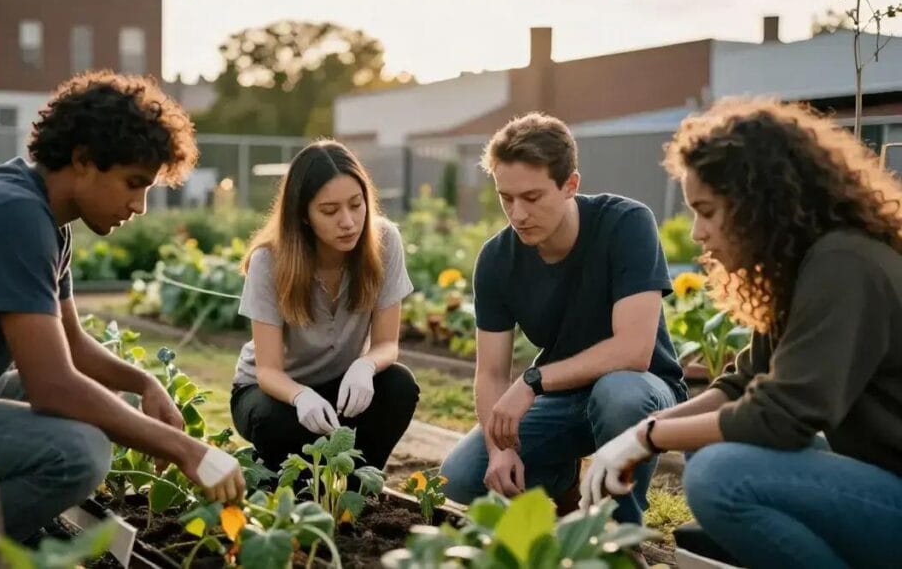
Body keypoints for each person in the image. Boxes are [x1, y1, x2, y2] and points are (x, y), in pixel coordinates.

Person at [0, 71, 244, 569]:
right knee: (78, 451)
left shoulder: (40, 214)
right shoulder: (13, 216)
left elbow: (70, 347)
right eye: (133, 184)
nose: (138, 206)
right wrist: (186, 450)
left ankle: (13, 528)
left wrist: (143, 383)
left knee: (97, 406)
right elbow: (52, 384)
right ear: (83, 159)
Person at [579, 98, 902, 569]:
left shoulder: (844, 265)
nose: (697, 233)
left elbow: (780, 417)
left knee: (720, 476)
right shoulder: (805, 267)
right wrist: (637, 433)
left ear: (761, 201)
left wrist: (648, 437)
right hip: (882, 483)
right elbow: (742, 386)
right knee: (713, 444)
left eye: (707, 211)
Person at [439, 112, 686, 524]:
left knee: (620, 395)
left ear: (570, 184)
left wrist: (533, 381)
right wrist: (501, 450)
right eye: (506, 198)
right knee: (462, 478)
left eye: (532, 198)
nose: (516, 214)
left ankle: (619, 533)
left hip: (642, 392)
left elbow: (634, 351)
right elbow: (491, 374)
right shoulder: (497, 259)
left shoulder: (626, 224)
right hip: (563, 400)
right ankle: (561, 479)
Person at [230, 140, 419, 473]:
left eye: (356, 205)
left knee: (398, 387)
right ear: (303, 214)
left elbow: (388, 345)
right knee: (275, 422)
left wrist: (365, 367)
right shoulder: (269, 261)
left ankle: (359, 485)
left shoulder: (385, 242)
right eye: (329, 211)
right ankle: (287, 483)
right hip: (274, 393)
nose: (347, 221)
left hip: (341, 383)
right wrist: (301, 396)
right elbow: (268, 371)